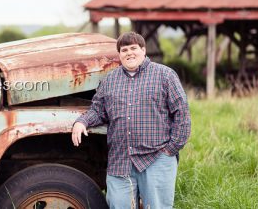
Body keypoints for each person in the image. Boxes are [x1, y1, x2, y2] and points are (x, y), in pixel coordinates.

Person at [71, 32, 191, 209]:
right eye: (124, 50)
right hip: (121, 160)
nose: (129, 53)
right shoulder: (110, 80)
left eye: (133, 48)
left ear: (143, 50)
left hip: (156, 158)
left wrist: (170, 150)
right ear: (119, 55)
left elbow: (182, 114)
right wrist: (82, 122)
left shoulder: (165, 75)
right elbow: (98, 109)